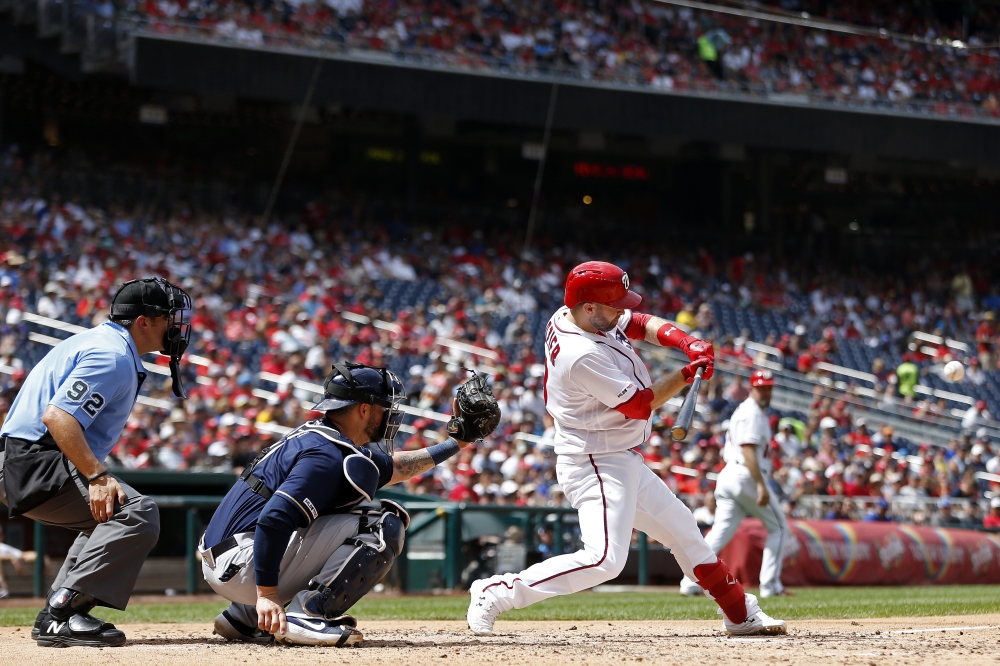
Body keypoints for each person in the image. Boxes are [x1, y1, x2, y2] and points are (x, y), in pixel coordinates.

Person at [467, 261, 785, 638]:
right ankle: (497, 591)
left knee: (685, 532)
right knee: (604, 560)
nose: (621, 309)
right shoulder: (578, 352)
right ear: (588, 307)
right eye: (612, 304)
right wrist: (686, 374)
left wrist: (686, 342)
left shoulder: (576, 313)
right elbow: (638, 405)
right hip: (594, 460)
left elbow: (638, 323)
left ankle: (739, 612)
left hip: (617, 455)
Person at [202, 362, 498, 647]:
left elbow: (397, 467)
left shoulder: (321, 437)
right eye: (383, 407)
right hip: (243, 563)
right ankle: (308, 614)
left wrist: (457, 442)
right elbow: (274, 519)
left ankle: (244, 617)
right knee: (383, 524)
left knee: (339, 510)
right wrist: (266, 593)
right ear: (364, 409)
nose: (388, 415)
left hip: (226, 556)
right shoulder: (326, 454)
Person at [0, 277, 190, 647]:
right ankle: (63, 613)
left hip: (26, 458)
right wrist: (97, 476)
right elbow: (58, 418)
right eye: (170, 317)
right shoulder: (112, 354)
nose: (178, 326)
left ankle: (54, 613)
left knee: (105, 518)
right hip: (33, 460)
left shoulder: (105, 343)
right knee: (136, 514)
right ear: (144, 322)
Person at [679, 369, 791, 599]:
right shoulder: (751, 413)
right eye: (761, 387)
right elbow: (748, 449)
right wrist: (760, 484)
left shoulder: (749, 411)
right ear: (751, 388)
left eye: (769, 387)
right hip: (745, 474)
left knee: (720, 531)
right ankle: (771, 587)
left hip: (730, 474)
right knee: (779, 528)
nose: (766, 391)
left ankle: (689, 583)